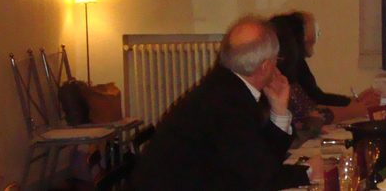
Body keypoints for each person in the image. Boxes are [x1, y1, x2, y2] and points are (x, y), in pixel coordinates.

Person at [131, 15, 322, 191]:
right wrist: (308, 172)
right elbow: (258, 180)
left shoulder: (226, 87)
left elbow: (259, 162)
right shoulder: (228, 103)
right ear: (265, 66)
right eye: (275, 60)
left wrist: (279, 110)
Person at [274, 11, 381, 122]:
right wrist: (355, 110)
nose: (317, 35)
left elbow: (316, 98)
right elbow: (311, 113)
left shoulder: (296, 64)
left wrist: (354, 102)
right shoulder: (282, 72)